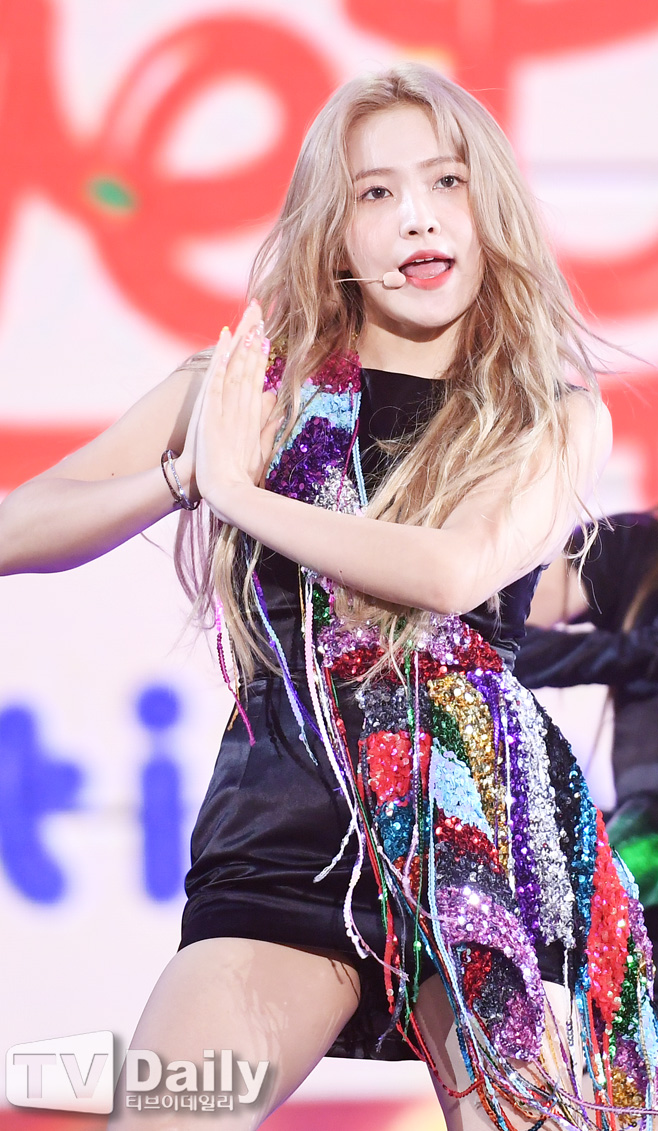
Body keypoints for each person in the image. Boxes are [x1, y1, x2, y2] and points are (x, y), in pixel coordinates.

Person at [0, 64, 655, 1131]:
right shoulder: (245, 392)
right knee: (163, 1115)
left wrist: (239, 495)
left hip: (470, 843)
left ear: (488, 206)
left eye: (446, 182)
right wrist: (182, 475)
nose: (417, 218)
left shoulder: (548, 413)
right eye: (375, 193)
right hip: (286, 828)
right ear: (335, 233)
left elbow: (449, 570)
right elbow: (17, 527)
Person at [516, 510, 658, 953]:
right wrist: (635, 653)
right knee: (585, 911)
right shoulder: (634, 543)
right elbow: (495, 630)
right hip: (648, 817)